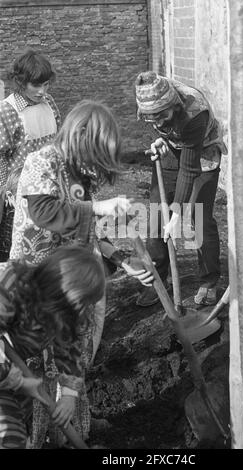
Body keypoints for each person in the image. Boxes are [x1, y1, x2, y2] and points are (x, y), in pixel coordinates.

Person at [9, 99, 153, 448]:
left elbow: (83, 228)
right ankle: (33, 436)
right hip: (35, 280)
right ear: (81, 137)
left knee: (74, 346)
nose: (97, 164)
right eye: (96, 153)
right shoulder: (41, 161)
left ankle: (72, 425)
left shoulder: (78, 174)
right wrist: (99, 207)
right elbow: (45, 212)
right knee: (31, 367)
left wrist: (118, 259)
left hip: (73, 278)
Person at [134, 71, 227, 307]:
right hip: (172, 150)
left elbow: (189, 168)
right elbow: (158, 125)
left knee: (199, 218)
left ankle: (208, 281)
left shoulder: (195, 112)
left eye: (162, 116)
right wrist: (160, 140)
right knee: (155, 215)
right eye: (151, 118)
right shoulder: (149, 100)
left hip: (202, 152)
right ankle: (157, 280)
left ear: (173, 106)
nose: (158, 122)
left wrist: (177, 215)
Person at [0, 244, 106, 449]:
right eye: (81, 302)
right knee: (8, 434)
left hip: (15, 365)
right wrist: (17, 380)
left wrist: (68, 395)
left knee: (20, 425)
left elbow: (70, 348)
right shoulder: (15, 284)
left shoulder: (68, 314)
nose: (84, 310)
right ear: (62, 290)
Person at [0, 49, 60, 261]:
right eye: (37, 85)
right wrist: (5, 190)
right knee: (19, 252)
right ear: (20, 82)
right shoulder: (8, 111)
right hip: (19, 196)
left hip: (52, 189)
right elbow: (1, 157)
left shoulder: (49, 103)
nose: (43, 91)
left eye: (46, 84)